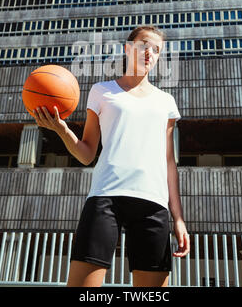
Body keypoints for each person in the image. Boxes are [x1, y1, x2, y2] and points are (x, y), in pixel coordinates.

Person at [33, 25, 190, 287]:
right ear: (128, 49)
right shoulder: (101, 91)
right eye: (143, 45)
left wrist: (178, 218)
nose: (150, 52)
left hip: (153, 202)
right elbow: (86, 153)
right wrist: (62, 129)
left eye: (157, 49)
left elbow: (169, 163)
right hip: (105, 197)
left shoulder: (166, 102)